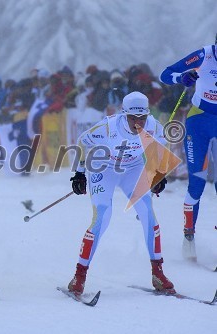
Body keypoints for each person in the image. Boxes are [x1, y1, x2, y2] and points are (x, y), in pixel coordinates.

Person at [67, 91, 175, 296]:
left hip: (132, 169)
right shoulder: (108, 128)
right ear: (124, 115)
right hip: (104, 167)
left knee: (148, 216)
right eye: (134, 118)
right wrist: (80, 173)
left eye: (142, 118)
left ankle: (158, 273)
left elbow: (161, 145)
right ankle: (79, 276)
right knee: (102, 216)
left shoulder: (153, 125)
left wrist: (159, 174)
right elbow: (82, 141)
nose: (139, 123)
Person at [160, 40, 217, 261]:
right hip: (199, 122)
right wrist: (182, 78)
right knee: (197, 183)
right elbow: (165, 74)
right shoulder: (203, 56)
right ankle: (189, 237)